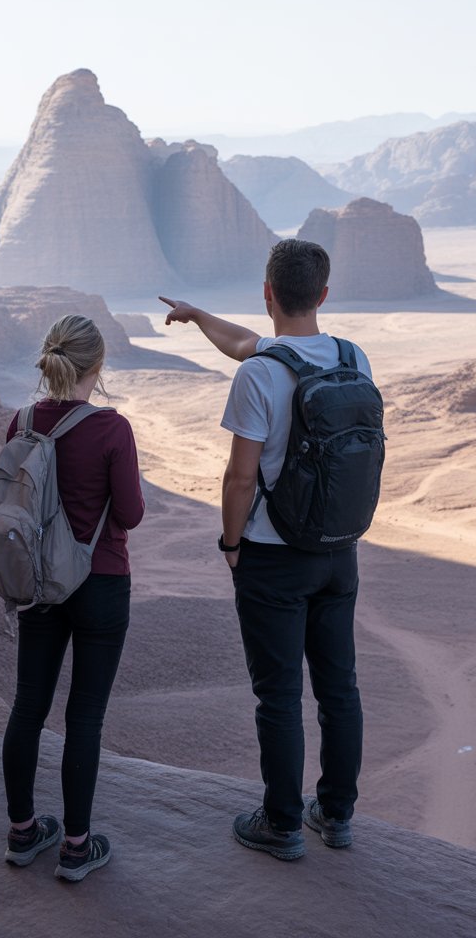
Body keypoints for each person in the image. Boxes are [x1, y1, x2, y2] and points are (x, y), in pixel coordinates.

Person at [160, 238, 370, 860]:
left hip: (274, 557)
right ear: (324, 295)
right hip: (339, 551)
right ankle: (335, 814)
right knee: (340, 689)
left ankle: (280, 823)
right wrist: (199, 318)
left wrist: (231, 545)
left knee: (277, 694)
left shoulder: (261, 375)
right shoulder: (352, 357)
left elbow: (240, 478)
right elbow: (247, 343)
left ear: (268, 291)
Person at [0, 314, 145, 882]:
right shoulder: (113, 429)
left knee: (28, 705)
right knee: (85, 714)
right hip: (101, 583)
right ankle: (78, 848)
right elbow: (129, 514)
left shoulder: (22, 420)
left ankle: (21, 833)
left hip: (38, 584)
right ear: (97, 366)